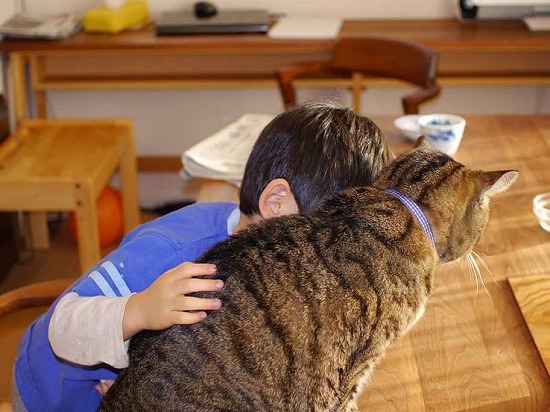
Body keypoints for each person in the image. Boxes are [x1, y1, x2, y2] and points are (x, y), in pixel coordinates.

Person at [12, 101, 391, 412]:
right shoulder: (173, 252)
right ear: (276, 203)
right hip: (53, 393)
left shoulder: (279, 268)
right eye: (326, 240)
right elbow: (62, 327)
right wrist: (140, 311)